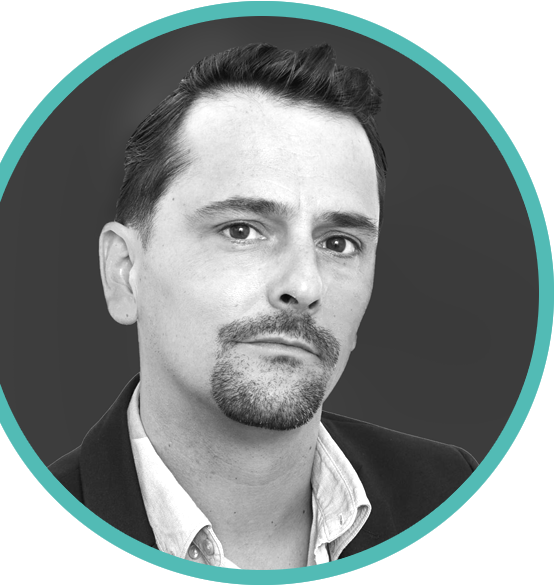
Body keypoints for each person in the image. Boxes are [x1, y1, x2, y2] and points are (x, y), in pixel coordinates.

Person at [49, 43, 477, 570]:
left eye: (339, 242)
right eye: (241, 230)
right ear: (125, 272)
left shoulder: (453, 497)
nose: (304, 284)